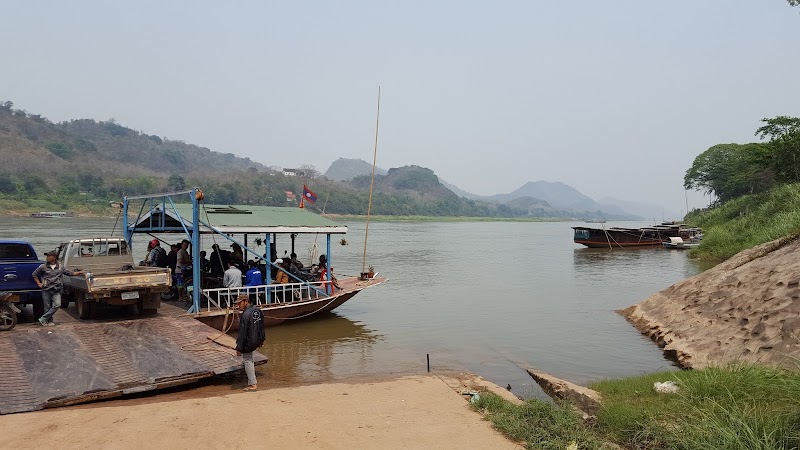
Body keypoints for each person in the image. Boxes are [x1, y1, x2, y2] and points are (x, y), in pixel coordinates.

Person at [32, 250, 83, 326]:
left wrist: (80, 272)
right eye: (47, 256)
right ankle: (48, 321)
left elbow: (70, 273)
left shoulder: (60, 267)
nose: (47, 258)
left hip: (56, 289)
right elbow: (34, 274)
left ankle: (43, 318)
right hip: (46, 289)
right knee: (47, 307)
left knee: (57, 305)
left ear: (54, 257)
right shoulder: (43, 266)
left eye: (49, 256)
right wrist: (39, 283)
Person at [235, 294, 265, 391]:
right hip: (256, 339)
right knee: (249, 360)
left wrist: (239, 348)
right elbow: (262, 327)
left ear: (246, 301)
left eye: (239, 303)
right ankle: (249, 379)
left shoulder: (245, 315)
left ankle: (252, 384)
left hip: (249, 341)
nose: (238, 305)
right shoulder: (257, 310)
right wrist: (262, 340)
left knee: (247, 360)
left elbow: (242, 333)